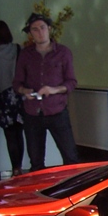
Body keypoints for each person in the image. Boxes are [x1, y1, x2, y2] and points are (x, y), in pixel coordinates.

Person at [12, 12, 80, 170]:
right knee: (36, 160)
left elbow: (71, 82)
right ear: (30, 33)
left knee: (70, 156)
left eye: (42, 28)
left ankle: (73, 185)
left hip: (57, 109)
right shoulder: (26, 54)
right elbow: (16, 83)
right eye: (34, 29)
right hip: (32, 112)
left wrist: (54, 90)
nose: (39, 32)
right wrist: (24, 91)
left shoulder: (63, 52)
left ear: (49, 29)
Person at [0, 19, 25, 176]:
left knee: (10, 136)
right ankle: (20, 167)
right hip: (19, 95)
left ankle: (15, 167)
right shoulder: (18, 49)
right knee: (19, 133)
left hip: (3, 97)